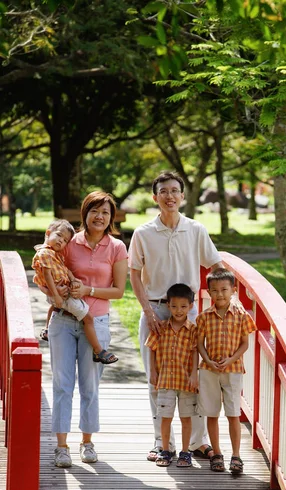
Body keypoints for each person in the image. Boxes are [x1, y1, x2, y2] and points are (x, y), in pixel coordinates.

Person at [128, 171, 223, 462]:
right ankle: (161, 443)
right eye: (163, 191)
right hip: (156, 310)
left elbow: (216, 265)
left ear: (183, 196)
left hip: (190, 312)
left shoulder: (196, 230)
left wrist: (225, 302)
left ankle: (196, 441)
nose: (170, 196)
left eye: (175, 191)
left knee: (193, 376)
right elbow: (134, 272)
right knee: (157, 379)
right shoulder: (143, 233)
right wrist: (147, 310)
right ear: (155, 197)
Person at [46, 192, 128, 468]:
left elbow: (118, 291)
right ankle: (61, 446)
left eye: (105, 212)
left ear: (111, 218)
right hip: (64, 321)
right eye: (94, 211)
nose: (99, 217)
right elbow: (49, 268)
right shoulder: (70, 244)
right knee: (62, 385)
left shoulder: (116, 247)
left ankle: (87, 442)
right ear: (85, 213)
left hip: (98, 322)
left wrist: (89, 289)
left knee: (90, 387)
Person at [32, 219, 118, 364]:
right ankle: (98, 351)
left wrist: (73, 280)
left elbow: (65, 269)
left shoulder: (55, 254)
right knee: (88, 318)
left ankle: (46, 329)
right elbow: (46, 275)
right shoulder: (45, 253)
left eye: (65, 240)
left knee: (53, 307)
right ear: (48, 233)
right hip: (62, 295)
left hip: (62, 291)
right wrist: (55, 295)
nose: (61, 241)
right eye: (59, 235)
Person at [196, 268, 257, 474]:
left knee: (233, 413)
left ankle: (236, 455)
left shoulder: (241, 316)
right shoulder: (204, 317)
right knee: (211, 413)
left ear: (233, 290)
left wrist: (231, 359)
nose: (219, 294)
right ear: (208, 292)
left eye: (224, 289)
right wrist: (208, 361)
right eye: (214, 290)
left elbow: (244, 344)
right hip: (209, 370)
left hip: (233, 369)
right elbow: (199, 344)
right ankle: (218, 454)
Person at [146, 283, 198, 468]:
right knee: (165, 417)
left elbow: (194, 352)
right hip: (166, 379)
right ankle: (166, 450)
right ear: (168, 305)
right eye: (174, 306)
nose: (178, 310)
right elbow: (151, 349)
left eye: (183, 306)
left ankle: (185, 452)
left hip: (185, 381)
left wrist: (194, 375)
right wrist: (153, 371)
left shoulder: (193, 330)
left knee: (186, 418)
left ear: (191, 306)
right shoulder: (161, 328)